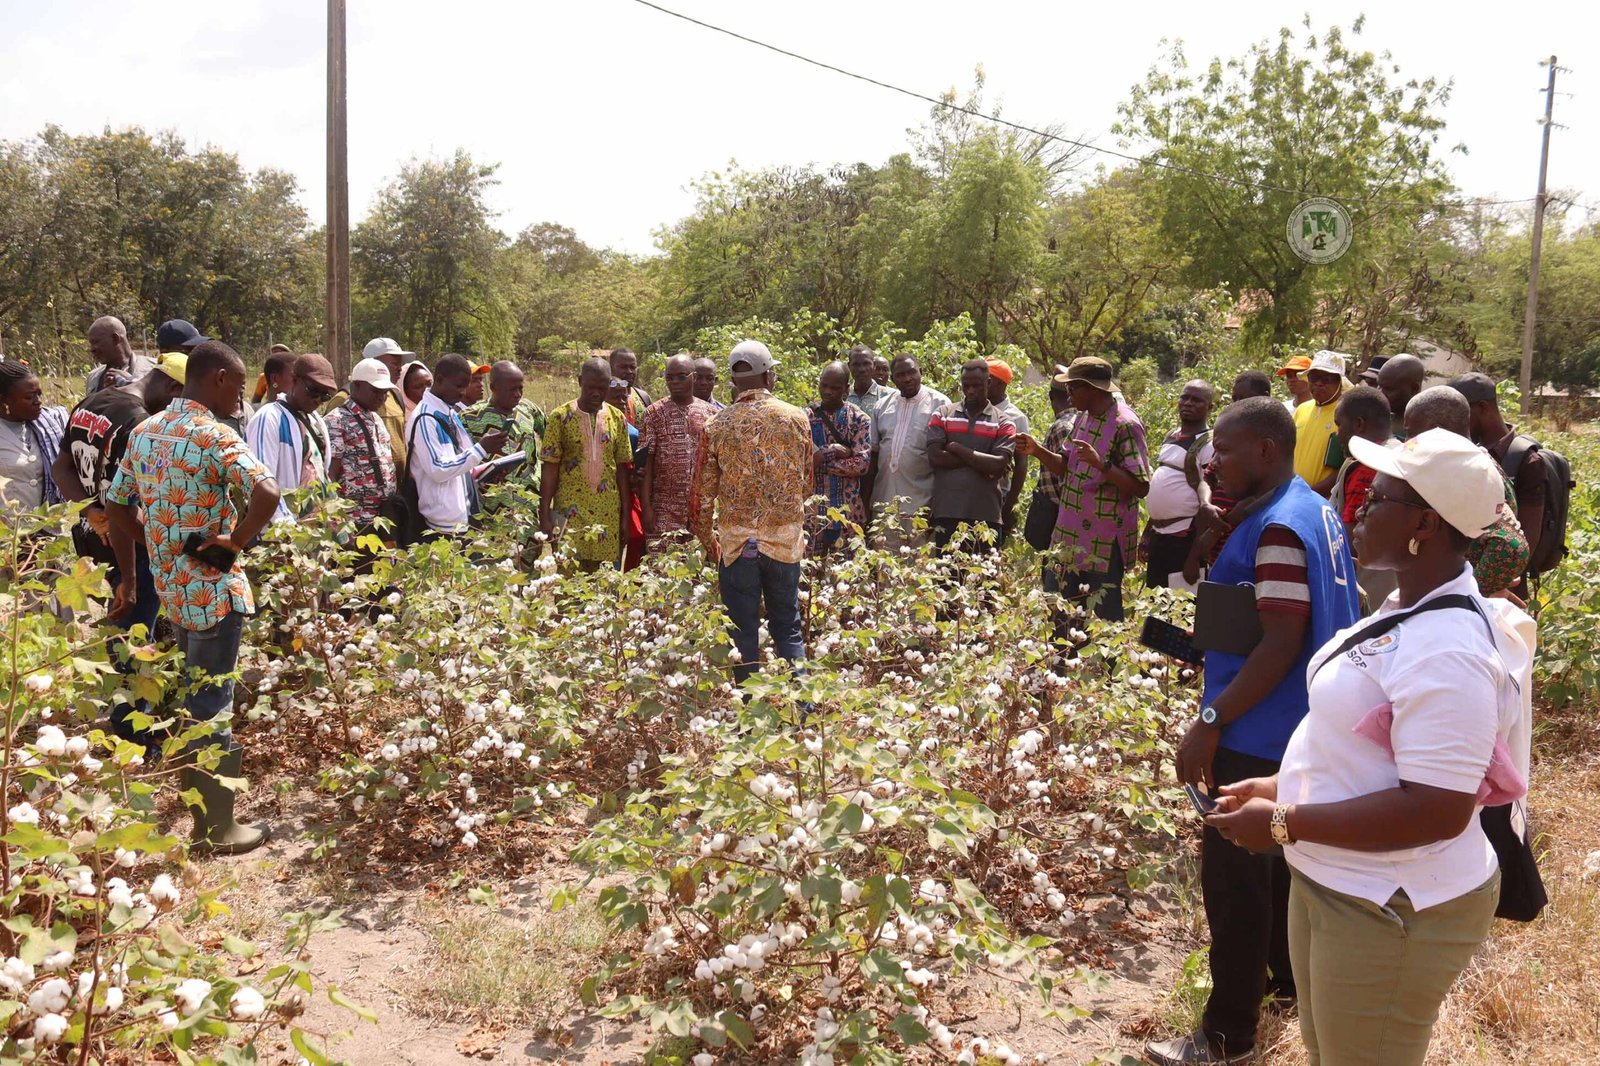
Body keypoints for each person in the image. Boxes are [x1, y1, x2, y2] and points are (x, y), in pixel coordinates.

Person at [1206, 428, 1534, 1066]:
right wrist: (1283, 788)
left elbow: (1437, 809)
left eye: (1377, 498)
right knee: (1329, 1047)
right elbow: (1369, 749)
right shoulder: (1405, 608)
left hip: (1391, 906)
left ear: (1425, 525)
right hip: (1338, 880)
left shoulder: (1448, 652)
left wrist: (1282, 822)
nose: (1355, 507)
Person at [1147, 397, 1360, 1066]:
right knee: (1277, 875)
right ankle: (1282, 994)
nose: (1213, 461)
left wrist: (1209, 721)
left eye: (1227, 449)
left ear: (1267, 451)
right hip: (1302, 726)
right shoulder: (1310, 509)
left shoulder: (1277, 528)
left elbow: (1280, 641)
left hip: (1256, 735)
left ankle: (1226, 1037)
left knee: (1235, 890)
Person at [104, 340, 280, 855]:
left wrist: (150, 547)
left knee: (194, 695)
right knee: (212, 703)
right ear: (220, 378)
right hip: (216, 593)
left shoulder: (146, 431)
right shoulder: (213, 436)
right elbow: (268, 492)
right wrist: (234, 542)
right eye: (240, 386)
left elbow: (115, 505)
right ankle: (215, 830)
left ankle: (204, 813)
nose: (241, 398)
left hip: (174, 590)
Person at [54, 357, 186, 745]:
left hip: (91, 536)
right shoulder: (137, 424)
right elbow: (122, 505)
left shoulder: (92, 403)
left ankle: (133, 713)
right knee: (133, 629)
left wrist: (87, 508)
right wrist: (130, 578)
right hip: (127, 545)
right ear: (172, 389)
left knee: (122, 629)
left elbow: (62, 467)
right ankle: (133, 733)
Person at [689, 341, 813, 686]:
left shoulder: (716, 425)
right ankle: (800, 708)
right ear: (769, 376)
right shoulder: (796, 418)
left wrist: (709, 541)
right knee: (787, 627)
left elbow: (701, 496)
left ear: (733, 382)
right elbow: (806, 483)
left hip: (737, 545)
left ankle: (748, 711)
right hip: (784, 544)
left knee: (743, 633)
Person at [1017, 357, 1148, 624]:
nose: (1067, 393)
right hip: (1067, 535)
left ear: (1092, 389)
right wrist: (1037, 450)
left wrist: (1102, 465)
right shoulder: (1082, 419)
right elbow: (1067, 467)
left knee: (1102, 622)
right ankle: (1062, 666)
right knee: (1060, 614)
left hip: (1102, 542)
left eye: (1073, 387)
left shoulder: (1126, 424)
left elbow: (1141, 486)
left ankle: (1098, 668)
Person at [1404, 387, 1530, 599]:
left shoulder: (1468, 472)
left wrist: (1470, 593)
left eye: (1411, 432)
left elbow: (1510, 545)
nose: (1408, 441)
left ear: (1437, 431)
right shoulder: (1470, 463)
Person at [538, 359, 633, 570]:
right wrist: (544, 513)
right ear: (580, 381)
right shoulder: (560, 417)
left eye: (602, 388)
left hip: (607, 515)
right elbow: (550, 468)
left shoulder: (617, 418)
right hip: (569, 515)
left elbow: (622, 471)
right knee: (568, 580)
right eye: (591, 387)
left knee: (604, 585)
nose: (597, 393)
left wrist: (625, 516)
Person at [1449, 372, 1548, 570]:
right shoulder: (1468, 452)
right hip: (1465, 579)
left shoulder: (1527, 461)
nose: (1453, 422)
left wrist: (1489, 587)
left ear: (1483, 408)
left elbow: (1526, 540)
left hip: (1503, 587)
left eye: (1460, 413)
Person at [406, 354, 507, 538]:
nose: (462, 392)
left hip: (463, 518)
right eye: (459, 386)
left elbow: (461, 464)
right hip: (442, 526)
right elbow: (438, 468)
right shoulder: (425, 418)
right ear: (439, 380)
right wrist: (481, 448)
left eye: (465, 386)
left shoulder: (449, 412)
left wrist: (487, 472)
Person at [925, 360, 1016, 551]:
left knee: (984, 579)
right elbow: (935, 458)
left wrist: (957, 448)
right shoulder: (942, 414)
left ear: (988, 382)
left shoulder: (1004, 422)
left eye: (977, 385)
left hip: (987, 515)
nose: (971, 391)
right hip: (947, 513)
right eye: (966, 385)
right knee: (946, 579)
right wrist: (982, 460)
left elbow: (998, 465)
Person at [1328, 385, 1399, 608]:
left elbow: (1348, 539)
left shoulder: (1368, 466)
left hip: (1364, 588)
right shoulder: (1401, 454)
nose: (1338, 434)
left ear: (1358, 424)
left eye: (1340, 425)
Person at [244, 354, 337, 523]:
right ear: (294, 380)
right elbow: (261, 482)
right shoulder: (269, 418)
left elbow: (324, 475)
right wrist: (287, 529)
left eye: (325, 396)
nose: (318, 400)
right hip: (282, 532)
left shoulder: (317, 421)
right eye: (314, 391)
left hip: (316, 530)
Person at [1143, 380, 1215, 590]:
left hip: (1185, 540)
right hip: (1159, 537)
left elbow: (1208, 502)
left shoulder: (1209, 444)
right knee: (1155, 605)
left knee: (1181, 611)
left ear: (1209, 407)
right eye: (1185, 397)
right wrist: (1148, 532)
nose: (1188, 403)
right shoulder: (1171, 436)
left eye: (1196, 400)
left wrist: (1194, 557)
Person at [868, 355, 949, 541]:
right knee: (884, 565)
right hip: (884, 505)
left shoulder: (941, 405)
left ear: (921, 372)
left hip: (922, 507)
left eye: (912, 372)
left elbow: (945, 461)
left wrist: (938, 508)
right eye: (900, 374)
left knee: (920, 565)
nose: (907, 378)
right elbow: (873, 457)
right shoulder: (882, 406)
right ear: (892, 378)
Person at [640, 354, 717, 540]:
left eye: (681, 376)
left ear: (694, 377)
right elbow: (646, 465)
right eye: (669, 377)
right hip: (664, 509)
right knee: (661, 566)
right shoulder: (653, 414)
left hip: (703, 510)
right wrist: (647, 508)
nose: (674, 382)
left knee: (700, 565)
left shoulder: (712, 414)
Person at [324, 358, 400, 531]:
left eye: (385, 392)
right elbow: (330, 475)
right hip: (354, 520)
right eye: (376, 391)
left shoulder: (376, 419)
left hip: (383, 518)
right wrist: (339, 523)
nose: (382, 397)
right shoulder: (336, 421)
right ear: (356, 385)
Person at [806, 363, 874, 555]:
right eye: (824, 385)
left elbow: (861, 465)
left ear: (847, 388)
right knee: (811, 575)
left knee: (846, 578)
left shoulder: (859, 419)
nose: (827, 392)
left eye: (835, 388)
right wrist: (832, 450)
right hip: (812, 515)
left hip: (848, 513)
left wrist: (820, 461)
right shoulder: (805, 418)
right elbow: (801, 464)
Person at [0, 360, 67, 518]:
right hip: (10, 534)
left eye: (39, 394)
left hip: (49, 529)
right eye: (30, 397)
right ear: (3, 400)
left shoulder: (50, 424)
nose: (38, 401)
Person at [462, 360, 547, 481]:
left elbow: (551, 442)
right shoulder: (469, 417)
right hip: (491, 497)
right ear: (493, 388)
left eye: (520, 388)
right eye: (512, 389)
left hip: (530, 496)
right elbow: (462, 462)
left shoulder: (529, 409)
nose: (518, 394)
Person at [985, 358, 1030, 542]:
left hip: (998, 497)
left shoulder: (1016, 418)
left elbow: (1021, 465)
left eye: (987, 379)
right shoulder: (971, 407)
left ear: (1000, 383)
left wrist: (1010, 504)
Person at [1291, 350, 1348, 495]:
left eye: (1326, 379)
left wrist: (1309, 495)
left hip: (1324, 502)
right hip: (1291, 495)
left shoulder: (1347, 415)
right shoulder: (1301, 409)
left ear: (1340, 382)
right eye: (1313, 378)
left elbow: (1345, 467)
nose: (1318, 384)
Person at [357, 337, 414, 466]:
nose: (399, 369)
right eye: (394, 363)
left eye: (400, 364)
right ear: (373, 363)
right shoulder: (346, 399)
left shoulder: (396, 396)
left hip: (398, 483)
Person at [85, 316, 157, 398]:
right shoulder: (93, 378)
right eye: (91, 344)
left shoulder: (153, 369)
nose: (92, 349)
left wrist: (129, 382)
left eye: (96, 342)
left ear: (115, 339)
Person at [1377, 353, 1426, 433]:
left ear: (1414, 388)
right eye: (1379, 386)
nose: (1380, 393)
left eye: (1388, 389)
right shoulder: (1372, 420)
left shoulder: (1425, 430)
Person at [846, 345, 894, 418]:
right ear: (849, 366)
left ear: (874, 365)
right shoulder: (842, 397)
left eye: (866, 364)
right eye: (856, 364)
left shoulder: (891, 397)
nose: (861, 369)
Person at [609, 347, 653, 423]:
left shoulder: (643, 398)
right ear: (611, 369)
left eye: (632, 367)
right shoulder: (603, 400)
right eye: (623, 367)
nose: (629, 371)